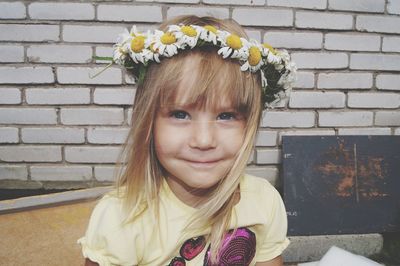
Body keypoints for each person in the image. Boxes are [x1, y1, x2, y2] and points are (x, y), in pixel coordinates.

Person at [78, 15, 296, 266]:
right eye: (180, 114)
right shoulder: (121, 218)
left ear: (249, 123)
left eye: (226, 116)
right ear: (148, 121)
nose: (203, 140)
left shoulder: (264, 201)